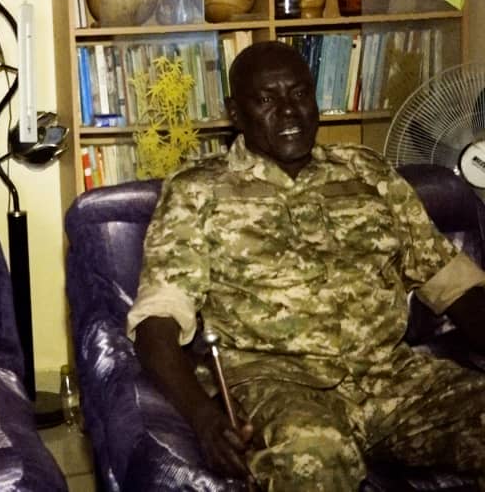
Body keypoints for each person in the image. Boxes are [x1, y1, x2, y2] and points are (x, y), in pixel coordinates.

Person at [130, 41, 485, 491]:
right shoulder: (197, 192)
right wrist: (203, 416)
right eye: (266, 99)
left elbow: (453, 283)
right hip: (279, 385)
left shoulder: (368, 173)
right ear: (235, 114)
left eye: (299, 94)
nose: (288, 111)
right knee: (313, 457)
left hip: (390, 377)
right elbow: (157, 321)